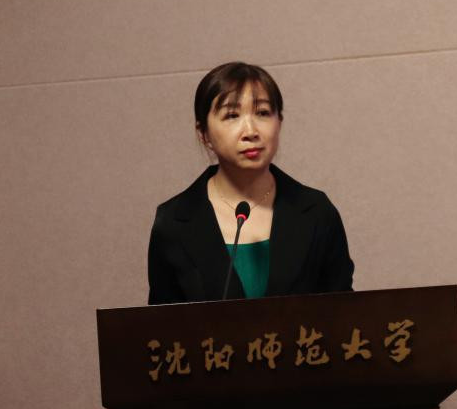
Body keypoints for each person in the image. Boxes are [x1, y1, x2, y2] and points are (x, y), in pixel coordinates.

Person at [147, 62, 354, 304]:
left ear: (279, 122)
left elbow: (344, 314)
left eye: (263, 113)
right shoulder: (173, 222)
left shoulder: (317, 212)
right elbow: (162, 323)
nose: (251, 131)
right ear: (204, 134)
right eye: (232, 115)